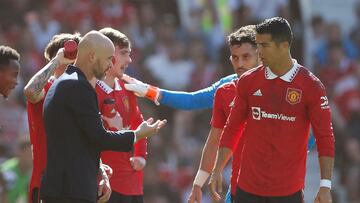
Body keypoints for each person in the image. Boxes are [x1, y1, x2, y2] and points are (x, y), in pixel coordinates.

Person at [209, 17, 335, 203]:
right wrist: (218, 168)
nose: (259, 52)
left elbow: (325, 136)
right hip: (246, 189)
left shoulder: (311, 86)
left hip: (287, 192)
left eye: (264, 46)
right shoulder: (248, 81)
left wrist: (325, 185)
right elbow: (232, 127)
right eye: (257, 45)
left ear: (284, 46)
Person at [40, 30, 166, 203]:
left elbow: (84, 139)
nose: (110, 64)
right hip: (70, 191)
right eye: (108, 58)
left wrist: (99, 172)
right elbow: (99, 137)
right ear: (92, 57)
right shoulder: (79, 87)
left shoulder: (67, 82)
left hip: (65, 188)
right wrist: (138, 134)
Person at [187, 25, 258, 203]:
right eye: (235, 57)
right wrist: (198, 183)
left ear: (260, 55)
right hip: (239, 189)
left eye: (246, 57)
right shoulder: (224, 92)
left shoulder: (278, 89)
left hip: (276, 189)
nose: (240, 63)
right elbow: (214, 141)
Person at [23, 33, 84, 203]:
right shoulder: (47, 87)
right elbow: (30, 91)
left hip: (76, 185)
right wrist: (57, 61)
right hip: (48, 184)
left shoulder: (84, 93)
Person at [97, 27, 147, 203]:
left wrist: (140, 154)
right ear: (107, 55)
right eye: (124, 53)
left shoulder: (127, 86)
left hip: (133, 182)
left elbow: (138, 122)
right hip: (106, 184)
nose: (129, 59)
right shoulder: (90, 90)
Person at [0, 137, 32, 203]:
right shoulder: (8, 171)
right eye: (29, 154)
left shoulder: (29, 173)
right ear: (19, 152)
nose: (32, 158)